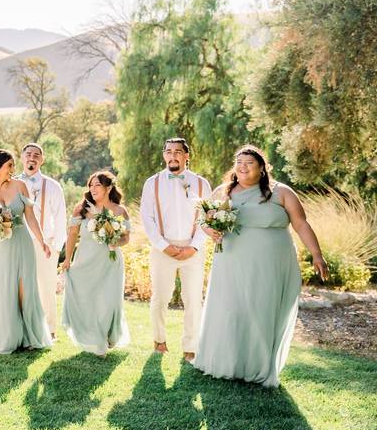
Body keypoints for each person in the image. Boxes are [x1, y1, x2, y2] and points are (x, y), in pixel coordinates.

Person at [194, 145, 329, 387]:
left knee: (260, 309)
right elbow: (204, 220)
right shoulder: (223, 192)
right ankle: (227, 363)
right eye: (239, 162)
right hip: (231, 259)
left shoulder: (281, 192)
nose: (242, 167)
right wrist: (210, 230)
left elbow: (301, 224)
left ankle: (258, 367)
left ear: (262, 168)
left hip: (271, 261)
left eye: (249, 163)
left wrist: (317, 255)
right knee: (230, 308)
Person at [139, 138, 212, 361]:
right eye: (169, 152)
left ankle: (190, 347)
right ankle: (159, 341)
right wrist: (163, 246)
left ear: (186, 156)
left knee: (193, 298)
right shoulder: (153, 183)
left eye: (178, 152)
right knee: (160, 297)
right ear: (164, 156)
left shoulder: (201, 184)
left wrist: (194, 246)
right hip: (163, 248)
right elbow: (147, 218)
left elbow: (207, 219)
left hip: (193, 249)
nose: (173, 156)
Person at [0, 149, 52, 354]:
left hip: (21, 241)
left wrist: (42, 240)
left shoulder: (20, 186)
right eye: (9, 165)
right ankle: (9, 337)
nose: (13, 170)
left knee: (24, 288)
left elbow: (30, 216)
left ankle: (30, 337)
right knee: (2, 289)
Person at [60, 171, 131, 357]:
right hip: (85, 260)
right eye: (90, 185)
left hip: (110, 262)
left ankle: (108, 335)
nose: (92, 189)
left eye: (97, 185)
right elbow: (72, 235)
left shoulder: (119, 211)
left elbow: (126, 238)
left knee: (109, 302)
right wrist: (67, 259)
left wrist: (116, 243)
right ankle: (98, 341)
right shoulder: (81, 209)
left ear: (108, 188)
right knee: (88, 301)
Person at [17, 142, 68, 337]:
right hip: (19, 243)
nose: (32, 157)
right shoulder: (13, 183)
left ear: (42, 160)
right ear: (22, 157)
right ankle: (21, 329)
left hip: (45, 244)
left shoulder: (52, 186)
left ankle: (49, 331)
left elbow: (61, 216)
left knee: (46, 288)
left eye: (36, 155)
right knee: (20, 287)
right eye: (28, 153)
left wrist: (55, 247)